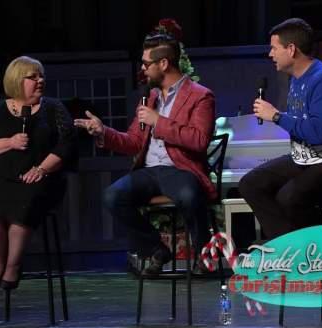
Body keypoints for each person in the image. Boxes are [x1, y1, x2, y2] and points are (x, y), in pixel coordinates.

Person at [74, 34, 216, 274]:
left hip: (180, 169)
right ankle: (156, 250)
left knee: (189, 195)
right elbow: (133, 142)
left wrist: (159, 122)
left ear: (163, 64)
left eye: (146, 63)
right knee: (113, 196)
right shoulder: (151, 97)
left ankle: (204, 255)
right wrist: (103, 131)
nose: (142, 69)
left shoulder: (200, 95)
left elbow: (199, 141)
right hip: (150, 172)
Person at [239, 18, 322, 239]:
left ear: (291, 49)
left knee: (290, 196)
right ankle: (288, 250)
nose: (270, 54)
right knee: (251, 184)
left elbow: (319, 133)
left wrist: (277, 116)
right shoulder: (296, 80)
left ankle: (311, 254)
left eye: (274, 48)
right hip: (309, 158)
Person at [0, 56, 76, 290]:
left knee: (24, 202)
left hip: (40, 178)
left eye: (41, 76)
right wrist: (9, 142)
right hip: (0, 179)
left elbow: (67, 145)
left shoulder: (53, 108)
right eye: (32, 77)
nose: (40, 81)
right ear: (17, 81)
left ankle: (13, 266)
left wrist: (41, 169)